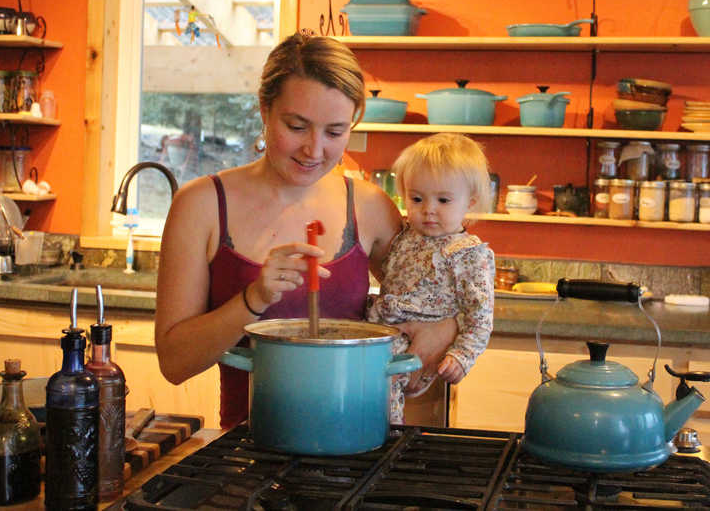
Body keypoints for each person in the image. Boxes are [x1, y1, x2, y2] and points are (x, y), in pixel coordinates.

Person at [155, 31, 459, 429]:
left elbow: (450, 297)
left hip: (359, 439)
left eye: (335, 132)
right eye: (297, 126)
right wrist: (253, 298)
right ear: (264, 109)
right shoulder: (202, 205)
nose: (314, 150)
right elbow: (175, 362)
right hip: (250, 447)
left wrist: (447, 327)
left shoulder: (368, 209)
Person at [367, 133, 495, 424]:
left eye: (444, 200)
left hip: (413, 342)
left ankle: (387, 437)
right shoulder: (405, 237)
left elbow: (480, 315)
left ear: (470, 202)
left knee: (383, 376)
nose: (428, 209)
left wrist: (463, 355)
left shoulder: (467, 253)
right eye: (416, 198)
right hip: (384, 326)